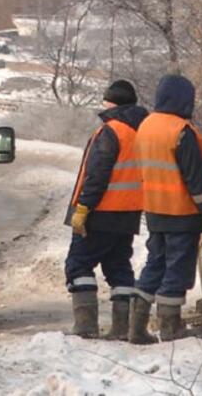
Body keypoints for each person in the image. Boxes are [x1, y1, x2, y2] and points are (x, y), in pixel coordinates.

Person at [129, 74, 202, 344]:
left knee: (154, 265)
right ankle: (171, 327)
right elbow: (197, 180)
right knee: (177, 269)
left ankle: (136, 327)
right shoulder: (182, 131)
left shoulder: (146, 126)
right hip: (181, 213)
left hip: (154, 211)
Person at [64, 80, 148, 339]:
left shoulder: (111, 131)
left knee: (78, 265)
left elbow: (96, 175)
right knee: (119, 267)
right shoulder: (143, 132)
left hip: (100, 213)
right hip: (129, 214)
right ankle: (122, 329)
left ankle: (86, 326)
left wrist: (83, 208)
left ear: (110, 103)